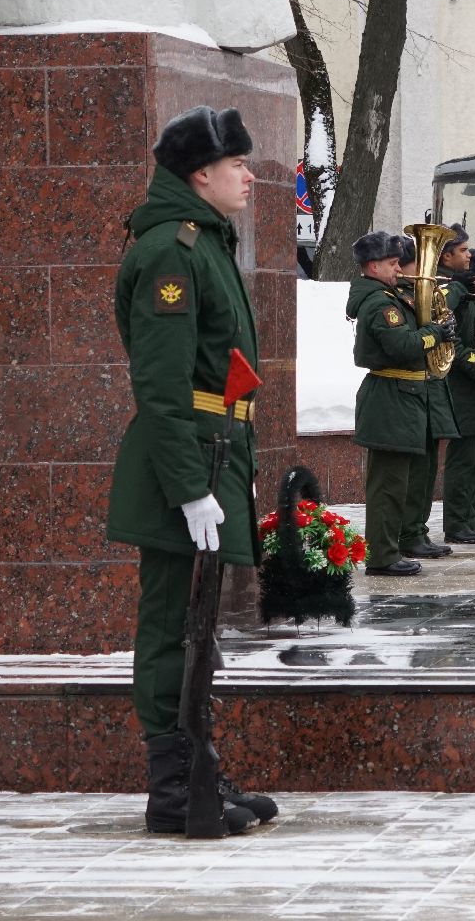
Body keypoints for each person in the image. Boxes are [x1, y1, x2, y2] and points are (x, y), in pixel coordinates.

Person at [108, 105, 276, 836]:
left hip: (213, 456)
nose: (249, 176)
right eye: (237, 165)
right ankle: (173, 784)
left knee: (197, 626)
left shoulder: (204, 242)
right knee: (174, 623)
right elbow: (164, 384)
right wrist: (189, 488)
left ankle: (197, 764)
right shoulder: (172, 252)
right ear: (198, 174)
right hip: (185, 466)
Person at [346, 230, 455, 578]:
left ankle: (392, 548)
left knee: (399, 483)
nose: (399, 269)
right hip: (390, 398)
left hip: (402, 398)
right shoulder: (380, 304)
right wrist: (435, 334)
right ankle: (382, 555)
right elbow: (402, 347)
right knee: (387, 486)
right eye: (393, 263)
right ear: (374, 265)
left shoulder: (390, 297)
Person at [394, 234, 457, 562]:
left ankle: (418, 528)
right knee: (416, 470)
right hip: (413, 388)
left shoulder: (421, 294)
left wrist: (444, 327)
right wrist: (434, 331)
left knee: (428, 466)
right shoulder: (396, 298)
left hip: (430, 386)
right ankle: (410, 531)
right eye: (417, 264)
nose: (424, 270)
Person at [440, 238, 475, 545]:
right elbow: (457, 345)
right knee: (464, 460)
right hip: (464, 388)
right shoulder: (462, 300)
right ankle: (458, 522)